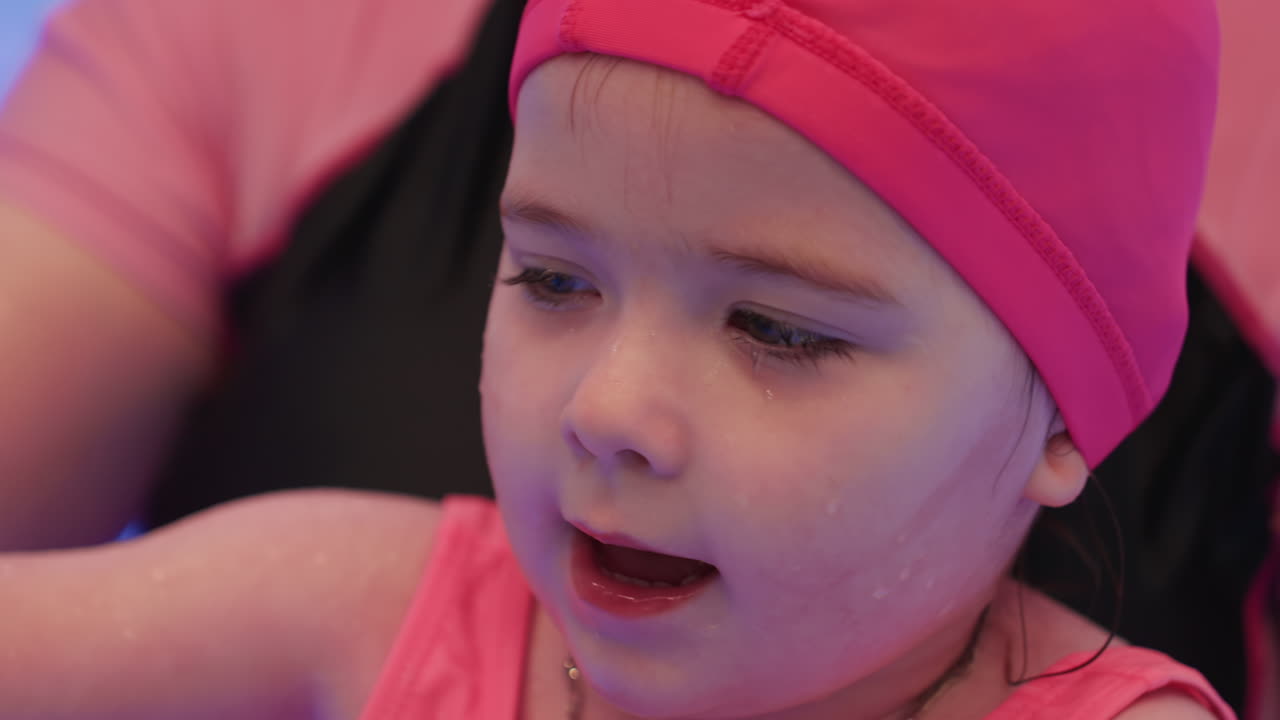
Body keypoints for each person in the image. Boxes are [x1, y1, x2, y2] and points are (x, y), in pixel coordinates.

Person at [0, 0, 1241, 718]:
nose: (609, 409)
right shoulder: (366, 608)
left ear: (1067, 422)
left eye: (778, 331)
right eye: (552, 279)